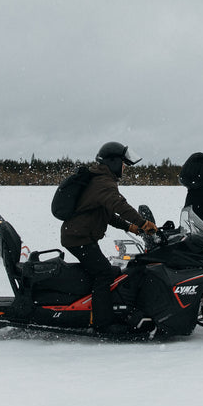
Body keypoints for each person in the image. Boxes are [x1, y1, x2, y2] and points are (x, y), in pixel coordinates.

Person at [60, 142, 157, 334]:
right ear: (113, 162)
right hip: (78, 238)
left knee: (108, 271)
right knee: (103, 274)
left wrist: (130, 226)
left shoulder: (100, 179)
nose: (123, 168)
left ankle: (97, 309)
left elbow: (108, 214)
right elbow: (119, 205)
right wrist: (142, 223)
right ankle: (103, 324)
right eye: (122, 164)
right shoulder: (103, 182)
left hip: (79, 235)